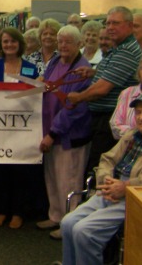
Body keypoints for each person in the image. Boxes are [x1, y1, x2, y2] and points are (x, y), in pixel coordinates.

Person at [61, 92, 142, 265]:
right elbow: (107, 159)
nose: (141, 117)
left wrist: (125, 186)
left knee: (84, 231)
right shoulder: (132, 134)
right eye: (138, 112)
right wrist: (105, 181)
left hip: (136, 198)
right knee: (67, 223)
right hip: (111, 188)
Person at [67, 6, 142, 178]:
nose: (110, 27)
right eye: (108, 23)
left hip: (108, 121)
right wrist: (94, 72)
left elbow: (103, 88)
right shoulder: (118, 48)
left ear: (130, 26)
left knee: (98, 169)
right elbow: (115, 76)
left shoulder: (126, 51)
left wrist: (78, 97)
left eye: (116, 23)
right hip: (101, 120)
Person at [36, 26, 92, 240]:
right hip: (49, 131)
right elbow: (47, 87)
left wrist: (53, 133)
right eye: (61, 42)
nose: (63, 46)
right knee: (52, 177)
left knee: (69, 180)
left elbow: (73, 108)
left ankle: (70, 223)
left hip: (69, 135)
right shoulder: (55, 61)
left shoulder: (82, 69)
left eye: (68, 42)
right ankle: (56, 215)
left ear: (79, 44)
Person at [0, 27, 39, 229]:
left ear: (20, 44)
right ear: (1, 45)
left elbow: (36, 97)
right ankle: (1, 210)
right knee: (0, 171)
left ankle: (18, 212)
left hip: (23, 127)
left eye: (13, 42)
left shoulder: (30, 68)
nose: (9, 45)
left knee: (20, 171)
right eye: (5, 42)